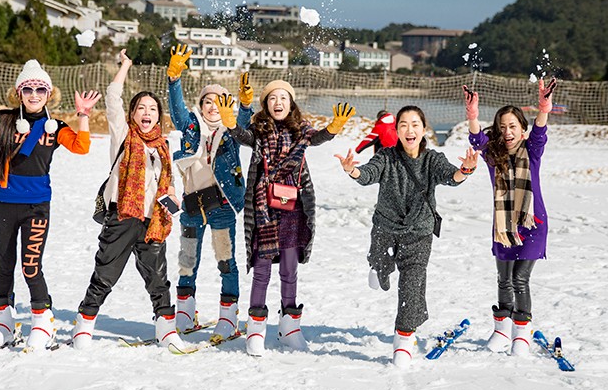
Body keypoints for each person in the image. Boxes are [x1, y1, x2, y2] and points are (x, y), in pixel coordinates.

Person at [0, 61, 100, 351]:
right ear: (18, 93)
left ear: (49, 93)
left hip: (36, 207)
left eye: (40, 89)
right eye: (28, 89)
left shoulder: (54, 127)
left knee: (31, 267)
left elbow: (82, 147)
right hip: (2, 205)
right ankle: (3, 325)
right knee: (4, 266)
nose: (34, 94)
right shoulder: (4, 120)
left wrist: (82, 115)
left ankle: (43, 323)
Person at [214, 82, 355, 356]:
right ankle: (256, 327)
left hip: (292, 208)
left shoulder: (300, 130)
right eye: (272, 98)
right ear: (265, 104)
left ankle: (289, 327)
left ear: (291, 104)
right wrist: (230, 122)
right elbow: (243, 136)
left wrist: (333, 128)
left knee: (289, 269)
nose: (278, 102)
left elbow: (316, 138)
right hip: (263, 209)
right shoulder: (259, 131)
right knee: (262, 268)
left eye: (283, 98)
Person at [336, 105, 478, 367]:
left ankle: (403, 340)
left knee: (412, 284)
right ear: (396, 130)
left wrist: (465, 170)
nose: (409, 129)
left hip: (419, 233)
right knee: (380, 269)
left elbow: (450, 175)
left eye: (415, 124)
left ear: (424, 130)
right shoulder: (387, 157)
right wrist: (352, 170)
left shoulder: (433, 159)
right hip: (385, 230)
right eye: (403, 124)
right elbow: (367, 174)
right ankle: (379, 267)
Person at [73, 49, 185, 351]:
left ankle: (166, 330)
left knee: (158, 279)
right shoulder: (123, 135)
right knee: (105, 273)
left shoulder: (163, 147)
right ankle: (84, 325)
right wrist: (126, 66)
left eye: (152, 109)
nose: (146, 113)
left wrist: (172, 194)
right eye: (140, 108)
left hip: (152, 221)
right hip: (122, 217)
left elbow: (167, 183)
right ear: (133, 114)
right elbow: (112, 98)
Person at [463, 78, 557, 356]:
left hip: (533, 224)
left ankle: (521, 334)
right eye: (502, 127)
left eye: (513, 126)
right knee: (503, 279)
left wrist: (543, 107)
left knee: (519, 280)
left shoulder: (533, 151)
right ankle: (502, 331)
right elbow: (477, 139)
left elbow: (540, 132)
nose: (507, 132)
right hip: (504, 226)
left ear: (522, 129)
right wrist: (472, 116)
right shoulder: (493, 156)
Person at [167, 44, 252, 341]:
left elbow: (242, 125)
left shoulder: (230, 130)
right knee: (187, 259)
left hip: (222, 207)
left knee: (225, 261)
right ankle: (185, 312)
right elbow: (177, 111)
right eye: (207, 102)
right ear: (201, 105)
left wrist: (243, 106)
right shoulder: (191, 127)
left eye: (219, 102)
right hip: (192, 206)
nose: (213, 107)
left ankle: (229, 317)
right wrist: (174, 81)